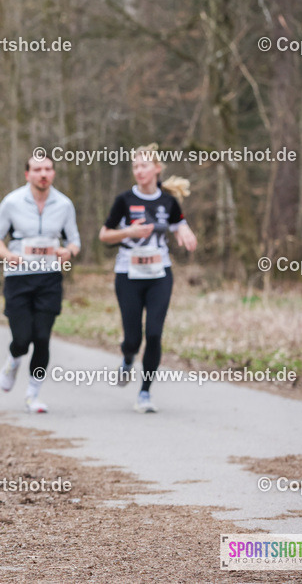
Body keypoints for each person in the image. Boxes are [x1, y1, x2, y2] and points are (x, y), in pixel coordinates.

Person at [98, 143, 197, 413]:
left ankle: (145, 392)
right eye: (135, 166)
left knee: (154, 333)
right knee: (133, 338)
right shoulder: (124, 200)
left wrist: (184, 232)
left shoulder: (168, 201)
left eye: (144, 165)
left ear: (157, 169)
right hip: (128, 274)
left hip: (159, 274)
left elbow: (179, 223)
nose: (139, 170)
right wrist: (128, 232)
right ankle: (128, 357)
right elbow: (104, 235)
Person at [0, 155, 81, 413]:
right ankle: (13, 361)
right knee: (22, 339)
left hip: (49, 278)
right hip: (18, 277)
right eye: (37, 169)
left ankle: (33, 394)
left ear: (53, 173)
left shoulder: (64, 204)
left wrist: (68, 252)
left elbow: (74, 241)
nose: (43, 174)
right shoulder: (12, 202)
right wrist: (6, 255)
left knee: (42, 338)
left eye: (48, 169)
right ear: (27, 174)